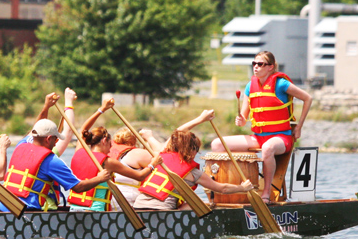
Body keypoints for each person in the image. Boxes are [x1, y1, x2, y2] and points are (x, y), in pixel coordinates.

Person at [210, 50, 313, 201]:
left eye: (260, 64)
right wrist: (241, 120)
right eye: (254, 63)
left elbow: (308, 98)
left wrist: (299, 127)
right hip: (258, 137)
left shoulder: (281, 84)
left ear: (270, 67)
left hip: (281, 138)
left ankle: (266, 193)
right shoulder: (249, 87)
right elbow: (244, 116)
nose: (256, 67)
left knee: (267, 148)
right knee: (217, 144)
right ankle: (236, 189)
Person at [0, 116, 111, 212]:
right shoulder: (51, 160)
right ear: (48, 139)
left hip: (4, 205)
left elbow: (34, 130)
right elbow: (78, 187)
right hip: (25, 210)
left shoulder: (21, 145)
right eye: (55, 139)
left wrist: (47, 106)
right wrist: (100, 178)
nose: (56, 143)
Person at [67, 99, 161, 212]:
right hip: (96, 213)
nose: (110, 149)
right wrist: (153, 164)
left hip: (74, 209)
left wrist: (101, 109)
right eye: (110, 145)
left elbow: (83, 130)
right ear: (104, 140)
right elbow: (140, 176)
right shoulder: (108, 162)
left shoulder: (79, 152)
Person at [133, 130, 253, 211]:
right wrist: (242, 188)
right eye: (196, 149)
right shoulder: (194, 173)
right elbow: (222, 188)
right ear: (190, 150)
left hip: (138, 206)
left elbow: (175, 135)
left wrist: (149, 137)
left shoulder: (160, 158)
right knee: (197, 202)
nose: (196, 153)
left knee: (192, 201)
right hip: (161, 210)